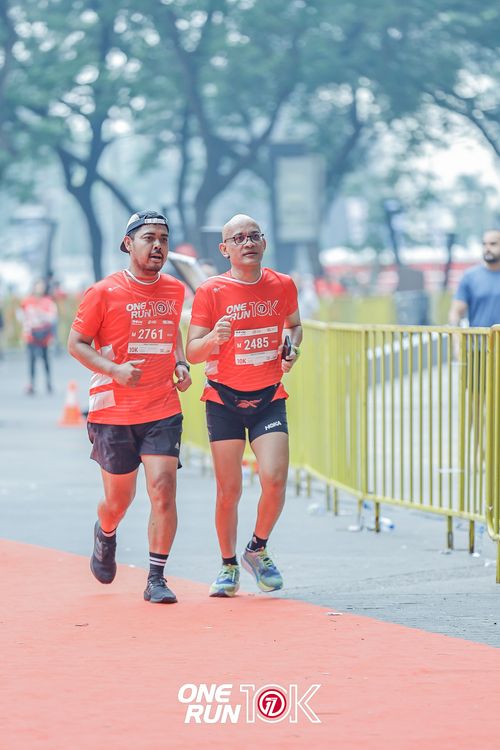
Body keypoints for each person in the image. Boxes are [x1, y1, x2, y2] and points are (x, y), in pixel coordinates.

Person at [68, 210, 192, 604]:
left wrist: (181, 363)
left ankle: (156, 577)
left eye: (164, 239)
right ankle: (105, 532)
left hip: (162, 407)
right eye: (149, 238)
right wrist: (115, 370)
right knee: (118, 501)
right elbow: (76, 344)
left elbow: (171, 332)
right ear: (128, 243)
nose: (158, 246)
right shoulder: (103, 292)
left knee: (163, 489)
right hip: (114, 411)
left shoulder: (174, 290)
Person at [186, 213, 302, 597]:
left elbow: (294, 325)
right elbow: (192, 351)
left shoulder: (283, 284)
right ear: (225, 249)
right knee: (229, 489)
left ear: (264, 242)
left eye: (254, 236)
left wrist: (291, 347)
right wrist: (213, 339)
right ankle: (228, 565)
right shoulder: (211, 291)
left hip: (269, 397)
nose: (248, 243)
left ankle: (257, 549)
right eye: (238, 238)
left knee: (275, 478)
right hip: (224, 400)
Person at [449, 229, 500, 328]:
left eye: (493, 244)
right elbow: (456, 312)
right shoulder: (470, 276)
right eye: (484, 244)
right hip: (479, 337)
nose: (487, 248)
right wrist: (456, 335)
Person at [18, 279, 58, 394]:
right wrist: (26, 328)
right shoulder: (27, 301)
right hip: (31, 333)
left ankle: (48, 383)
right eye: (38, 286)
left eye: (41, 286)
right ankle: (31, 383)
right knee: (32, 359)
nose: (40, 289)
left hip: (44, 333)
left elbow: (53, 317)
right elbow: (21, 315)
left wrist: (41, 314)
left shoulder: (48, 301)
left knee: (46, 359)